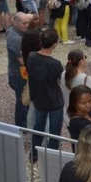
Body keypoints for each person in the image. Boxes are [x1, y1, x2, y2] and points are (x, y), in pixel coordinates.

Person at [27, 29, 65, 159]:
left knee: (38, 127)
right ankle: (51, 157)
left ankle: (34, 154)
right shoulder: (55, 64)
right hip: (54, 101)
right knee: (54, 132)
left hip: (38, 98)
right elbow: (61, 80)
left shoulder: (31, 57)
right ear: (54, 44)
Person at [6, 12, 33, 127]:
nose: (27, 25)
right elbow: (22, 60)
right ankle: (21, 124)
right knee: (22, 100)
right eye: (24, 23)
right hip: (19, 74)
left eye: (28, 22)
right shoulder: (17, 39)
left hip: (15, 71)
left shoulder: (11, 30)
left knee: (22, 98)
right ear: (15, 23)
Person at [61, 49, 91, 124]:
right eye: (85, 57)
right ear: (81, 61)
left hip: (68, 116)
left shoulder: (64, 74)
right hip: (84, 117)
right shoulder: (86, 78)